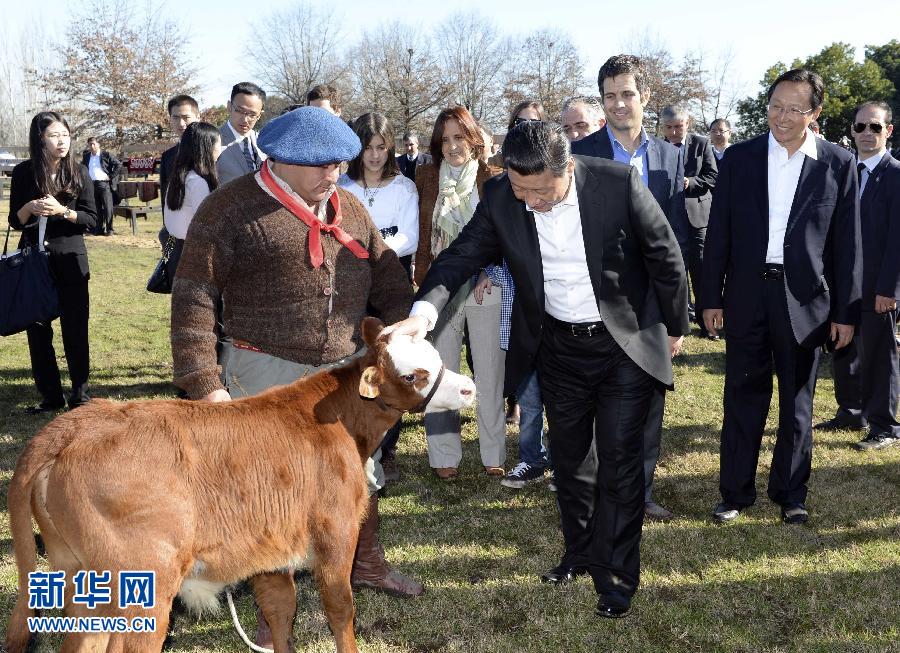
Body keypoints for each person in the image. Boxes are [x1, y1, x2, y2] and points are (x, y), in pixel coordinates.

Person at [384, 121, 688, 618]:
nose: (530, 202)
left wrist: (674, 327)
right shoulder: (503, 195)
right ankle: (581, 551)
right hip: (558, 346)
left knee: (618, 460)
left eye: (541, 191)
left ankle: (616, 576)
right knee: (570, 460)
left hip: (624, 343)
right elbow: (459, 256)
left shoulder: (616, 183)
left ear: (566, 168)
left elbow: (665, 255)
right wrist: (423, 313)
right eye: (521, 190)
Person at [169, 107, 422, 647]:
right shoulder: (229, 209)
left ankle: (365, 564)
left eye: (339, 163)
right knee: (267, 496)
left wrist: (403, 325)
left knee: (355, 476)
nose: (334, 173)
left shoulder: (348, 208)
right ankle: (272, 608)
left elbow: (386, 271)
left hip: (339, 373)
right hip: (263, 370)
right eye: (321, 165)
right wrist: (204, 383)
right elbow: (193, 295)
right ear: (280, 160)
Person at [702, 69, 861, 525]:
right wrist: (711, 297)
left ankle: (791, 491)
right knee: (742, 395)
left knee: (797, 401)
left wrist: (846, 311)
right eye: (775, 105)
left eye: (794, 108)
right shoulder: (739, 158)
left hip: (806, 301)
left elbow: (848, 245)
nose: (782, 116)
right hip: (747, 295)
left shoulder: (837, 163)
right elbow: (720, 234)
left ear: (815, 113)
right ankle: (734, 492)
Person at [572, 54, 688, 522]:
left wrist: (676, 313)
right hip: (596, 298)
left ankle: (639, 492)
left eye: (628, 94)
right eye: (610, 96)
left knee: (647, 403)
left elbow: (675, 238)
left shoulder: (670, 156)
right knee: (595, 402)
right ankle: (596, 491)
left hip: (652, 302)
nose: (620, 104)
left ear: (644, 98)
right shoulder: (582, 155)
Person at [413, 106, 505, 480]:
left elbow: (504, 234)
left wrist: (492, 269)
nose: (453, 146)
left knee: (490, 373)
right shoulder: (424, 177)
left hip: (487, 284)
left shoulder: (494, 178)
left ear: (473, 138)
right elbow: (420, 235)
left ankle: (494, 452)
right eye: (445, 139)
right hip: (439, 285)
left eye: (459, 137)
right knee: (439, 372)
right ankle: (444, 454)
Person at [338, 112, 419, 482]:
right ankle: (355, 438)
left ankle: (389, 447)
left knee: (389, 362)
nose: (374, 156)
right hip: (349, 284)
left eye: (382, 148)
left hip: (390, 284)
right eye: (368, 148)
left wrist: (372, 249)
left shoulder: (403, 188)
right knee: (354, 361)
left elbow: (410, 237)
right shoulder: (341, 187)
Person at [816, 101, 899, 450]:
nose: (867, 133)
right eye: (861, 127)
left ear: (889, 131)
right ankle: (851, 411)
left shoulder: (896, 174)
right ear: (851, 130)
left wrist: (890, 288)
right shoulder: (842, 170)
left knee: (880, 356)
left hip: (879, 286)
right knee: (843, 349)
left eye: (875, 127)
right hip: (843, 284)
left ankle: (885, 426)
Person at [8, 111, 98, 413]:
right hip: (34, 262)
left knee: (75, 329)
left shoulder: (79, 171)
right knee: (38, 330)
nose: (62, 141)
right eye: (54, 135)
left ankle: (81, 395)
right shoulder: (23, 173)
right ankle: (50, 396)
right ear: (40, 139)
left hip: (71, 259)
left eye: (65, 134)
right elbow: (14, 222)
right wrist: (29, 208)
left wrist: (62, 211)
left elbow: (92, 219)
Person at [661, 105, 718, 339]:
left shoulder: (701, 143)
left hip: (697, 220)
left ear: (688, 124)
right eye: (669, 127)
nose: (674, 132)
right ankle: (680, 325)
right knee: (676, 273)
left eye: (679, 126)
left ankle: (708, 326)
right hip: (668, 220)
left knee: (701, 271)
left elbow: (713, 176)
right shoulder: (656, 147)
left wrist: (689, 183)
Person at [163, 122, 222, 281]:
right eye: (219, 144)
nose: (220, 150)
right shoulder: (198, 182)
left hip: (174, 247)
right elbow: (207, 225)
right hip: (192, 253)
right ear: (207, 148)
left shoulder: (180, 178)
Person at [216, 82, 266, 184]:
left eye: (252, 114)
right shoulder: (213, 141)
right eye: (239, 111)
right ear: (229, 106)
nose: (245, 119)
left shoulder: (264, 142)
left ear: (259, 115)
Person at [160, 94, 200, 202]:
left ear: (198, 117)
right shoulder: (167, 157)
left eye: (186, 118)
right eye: (176, 118)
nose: (181, 124)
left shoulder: (212, 151)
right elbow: (165, 199)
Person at [81, 136, 121, 236]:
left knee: (108, 207)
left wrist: (111, 176)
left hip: (103, 184)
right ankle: (98, 229)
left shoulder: (106, 155)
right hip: (91, 184)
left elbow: (118, 164)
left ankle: (109, 229)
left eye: (93, 144)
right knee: (96, 208)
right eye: (90, 144)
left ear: (98, 144)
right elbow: (83, 168)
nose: (92, 146)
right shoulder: (86, 156)